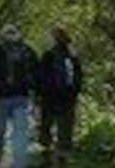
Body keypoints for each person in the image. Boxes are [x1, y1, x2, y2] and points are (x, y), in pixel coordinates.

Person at [0, 24, 38, 168]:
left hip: (2, 97)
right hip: (22, 98)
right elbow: (37, 76)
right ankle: (20, 164)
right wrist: (38, 99)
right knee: (20, 135)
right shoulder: (28, 51)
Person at [37, 27, 84, 168]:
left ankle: (47, 157)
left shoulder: (48, 55)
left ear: (54, 40)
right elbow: (79, 78)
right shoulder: (73, 57)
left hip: (50, 97)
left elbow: (40, 77)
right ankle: (63, 159)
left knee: (46, 126)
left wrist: (40, 94)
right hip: (68, 98)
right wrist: (74, 93)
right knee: (65, 128)